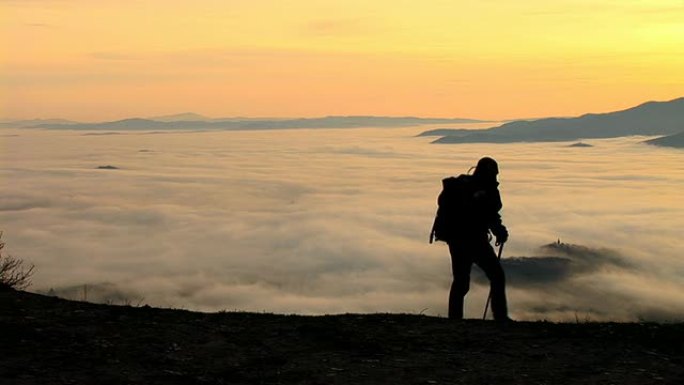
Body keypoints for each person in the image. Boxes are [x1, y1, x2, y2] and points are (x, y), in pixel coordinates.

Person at [434, 157, 510, 321]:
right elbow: (487, 213)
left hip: (456, 239)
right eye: (494, 173)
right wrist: (499, 230)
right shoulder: (483, 191)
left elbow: (487, 213)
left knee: (461, 281)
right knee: (496, 275)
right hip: (474, 240)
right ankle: (500, 317)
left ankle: (454, 319)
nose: (496, 177)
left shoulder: (464, 187)